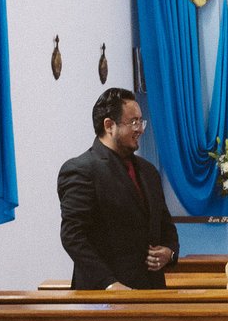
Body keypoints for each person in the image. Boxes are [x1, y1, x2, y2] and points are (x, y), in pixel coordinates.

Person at [59, 89, 179, 289]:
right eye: (134, 122)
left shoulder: (148, 171)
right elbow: (73, 236)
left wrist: (170, 252)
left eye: (141, 122)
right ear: (109, 126)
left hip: (151, 290)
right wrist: (109, 284)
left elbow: (165, 226)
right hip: (103, 295)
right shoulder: (81, 170)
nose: (140, 129)